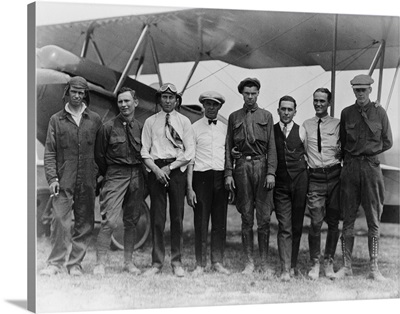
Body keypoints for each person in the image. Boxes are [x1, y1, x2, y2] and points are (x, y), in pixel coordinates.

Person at [40, 76, 102, 276]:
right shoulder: (56, 120)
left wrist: (96, 174)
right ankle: (55, 263)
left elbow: (101, 152)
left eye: (80, 92)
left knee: (85, 223)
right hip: (63, 180)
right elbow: (49, 152)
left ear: (85, 94)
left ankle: (75, 263)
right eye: (73, 91)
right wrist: (52, 179)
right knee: (59, 220)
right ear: (67, 92)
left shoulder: (94, 120)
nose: (77, 95)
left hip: (87, 180)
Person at [334, 74, 393, 281]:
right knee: (348, 219)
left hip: (371, 168)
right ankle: (346, 266)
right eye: (357, 90)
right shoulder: (347, 113)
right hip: (350, 168)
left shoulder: (379, 113)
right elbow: (342, 140)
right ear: (353, 91)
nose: (360, 93)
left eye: (364, 90)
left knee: (374, 220)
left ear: (370, 90)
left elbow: (388, 141)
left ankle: (374, 268)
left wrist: (370, 152)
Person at [140, 83, 195, 277]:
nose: (168, 101)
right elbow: (144, 151)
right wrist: (155, 169)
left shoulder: (184, 122)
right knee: (157, 218)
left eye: (172, 98)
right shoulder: (150, 122)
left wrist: (169, 168)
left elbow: (189, 153)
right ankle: (156, 263)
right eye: (164, 97)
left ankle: (177, 262)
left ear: (177, 100)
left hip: (176, 170)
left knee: (177, 218)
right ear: (159, 99)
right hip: (156, 171)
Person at [225, 78, 277, 276]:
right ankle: (249, 263)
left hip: (261, 165)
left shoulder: (267, 116)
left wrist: (271, 172)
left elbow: (272, 146)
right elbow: (228, 147)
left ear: (258, 94)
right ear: (242, 94)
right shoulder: (234, 117)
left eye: (253, 93)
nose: (250, 97)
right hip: (242, 167)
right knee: (246, 216)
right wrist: (229, 173)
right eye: (247, 93)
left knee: (263, 218)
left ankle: (263, 263)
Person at [93, 87, 145, 275]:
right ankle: (100, 264)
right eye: (120, 102)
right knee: (110, 221)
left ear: (135, 103)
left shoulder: (141, 127)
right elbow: (99, 156)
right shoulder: (107, 127)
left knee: (131, 220)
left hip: (136, 175)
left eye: (127, 101)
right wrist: (110, 175)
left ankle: (128, 262)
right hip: (115, 175)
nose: (123, 105)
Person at [187, 91, 230, 276]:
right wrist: (189, 188)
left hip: (220, 177)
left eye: (214, 104)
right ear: (203, 106)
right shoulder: (194, 128)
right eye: (208, 104)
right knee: (201, 221)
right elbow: (190, 159)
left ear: (220, 107)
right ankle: (200, 264)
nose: (211, 107)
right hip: (201, 177)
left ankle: (217, 261)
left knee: (220, 222)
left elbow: (229, 155)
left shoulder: (225, 128)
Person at [302, 88, 341, 280]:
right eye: (316, 100)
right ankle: (315, 263)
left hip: (335, 176)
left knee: (334, 222)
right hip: (315, 178)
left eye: (322, 101)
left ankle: (329, 262)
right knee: (316, 222)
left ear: (329, 103)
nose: (318, 104)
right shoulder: (306, 125)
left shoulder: (337, 124)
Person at [273, 95, 308, 281]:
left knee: (296, 226)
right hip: (280, 185)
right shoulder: (271, 131)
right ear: (278, 110)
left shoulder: (302, 131)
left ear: (295, 111)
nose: (286, 112)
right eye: (283, 109)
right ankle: (285, 269)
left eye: (289, 109)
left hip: (300, 183)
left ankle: (293, 265)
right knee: (284, 226)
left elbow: (309, 156)